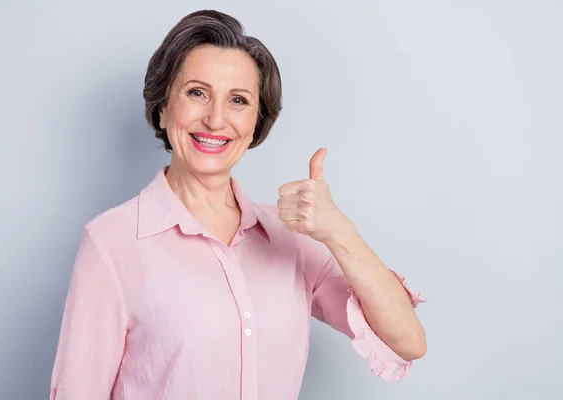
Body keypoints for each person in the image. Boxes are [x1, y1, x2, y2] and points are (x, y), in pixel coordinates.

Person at [49, 9, 427, 400]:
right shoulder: (112, 241)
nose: (216, 119)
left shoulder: (291, 238)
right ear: (162, 108)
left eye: (238, 100)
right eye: (197, 93)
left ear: (255, 124)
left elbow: (407, 341)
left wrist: (339, 232)